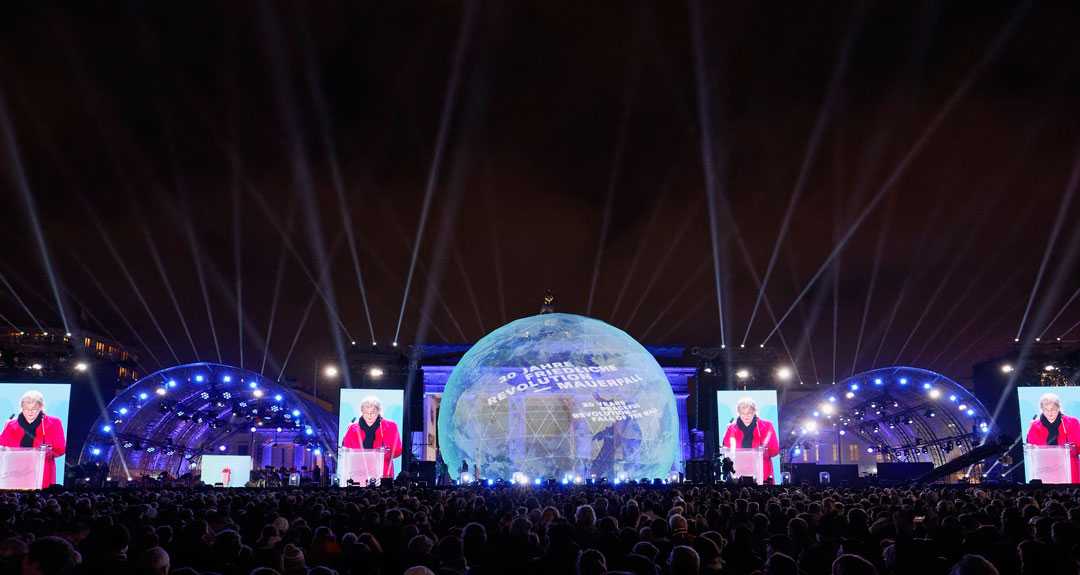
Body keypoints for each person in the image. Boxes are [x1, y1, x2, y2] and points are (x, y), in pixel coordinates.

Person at [0, 390, 66, 488]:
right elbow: (2, 448)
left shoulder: (54, 423)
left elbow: (61, 449)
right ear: (21, 407)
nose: (30, 412)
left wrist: (48, 451)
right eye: (26, 409)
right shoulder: (10, 425)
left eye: (34, 409)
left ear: (41, 407)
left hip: (41, 476)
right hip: (15, 475)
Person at [720, 397, 780, 484]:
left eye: (749, 413)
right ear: (738, 413)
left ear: (755, 412)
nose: (746, 416)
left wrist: (764, 450)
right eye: (742, 413)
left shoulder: (767, 426)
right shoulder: (731, 428)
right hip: (738, 474)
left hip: (761, 472)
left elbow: (775, 450)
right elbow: (727, 450)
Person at [1025, 392, 1080, 483]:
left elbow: (1078, 447)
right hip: (1045, 473)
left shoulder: (1072, 422)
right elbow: (1032, 451)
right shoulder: (1035, 426)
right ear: (1041, 409)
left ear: (1059, 408)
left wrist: (1072, 448)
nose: (1050, 413)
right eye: (1046, 410)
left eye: (1053, 409)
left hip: (1069, 472)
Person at [342, 396, 403, 478]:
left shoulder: (391, 426)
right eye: (366, 412)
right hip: (358, 474)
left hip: (382, 474)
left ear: (379, 411)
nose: (369, 415)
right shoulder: (352, 428)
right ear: (361, 412)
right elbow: (346, 451)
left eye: (373, 412)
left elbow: (398, 450)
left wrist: (384, 453)